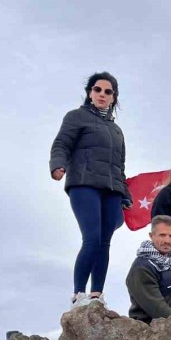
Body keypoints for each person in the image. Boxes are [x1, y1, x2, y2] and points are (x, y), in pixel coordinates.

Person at [49, 71, 131, 308]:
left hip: (112, 189)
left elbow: (119, 165)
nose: (102, 95)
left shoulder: (117, 131)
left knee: (105, 241)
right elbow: (61, 144)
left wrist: (125, 193)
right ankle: (78, 295)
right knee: (92, 238)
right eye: (97, 90)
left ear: (114, 97)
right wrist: (58, 165)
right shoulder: (76, 117)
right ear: (89, 93)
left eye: (108, 91)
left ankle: (97, 295)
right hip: (84, 184)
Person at [126, 215, 171, 323]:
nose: (167, 240)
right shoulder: (141, 268)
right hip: (151, 327)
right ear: (151, 236)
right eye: (162, 235)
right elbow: (157, 308)